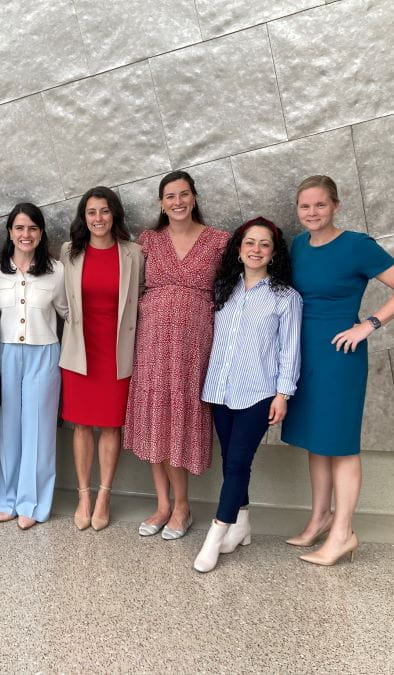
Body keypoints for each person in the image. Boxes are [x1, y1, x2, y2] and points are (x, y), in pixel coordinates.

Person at [282, 175, 394, 566]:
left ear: (336, 206)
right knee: (317, 440)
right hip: (303, 353)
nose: (312, 212)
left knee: (340, 444)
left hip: (339, 357)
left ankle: (343, 533)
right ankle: (318, 521)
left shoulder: (357, 245)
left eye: (320, 205)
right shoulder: (297, 245)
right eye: (305, 206)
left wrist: (368, 325)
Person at [124, 171, 229, 540]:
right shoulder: (148, 240)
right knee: (155, 416)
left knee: (180, 418)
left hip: (193, 346)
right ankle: (163, 504)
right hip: (152, 342)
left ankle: (182, 507)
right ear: (161, 202)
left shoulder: (219, 241)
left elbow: (234, 291)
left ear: (194, 197)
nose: (178, 202)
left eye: (184, 194)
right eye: (170, 196)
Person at [193, 218, 302, 572]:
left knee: (238, 463)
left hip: (259, 393)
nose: (256, 250)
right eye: (249, 243)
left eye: (264, 244)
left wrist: (283, 393)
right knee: (230, 461)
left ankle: (215, 535)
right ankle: (242, 525)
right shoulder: (224, 289)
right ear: (239, 249)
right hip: (220, 389)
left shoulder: (285, 298)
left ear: (273, 252)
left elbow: (290, 350)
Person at [59, 186, 143, 532]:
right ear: (84, 218)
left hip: (116, 351)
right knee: (80, 425)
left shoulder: (134, 254)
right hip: (81, 350)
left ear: (115, 215)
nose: (98, 219)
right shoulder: (69, 252)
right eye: (91, 212)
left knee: (110, 426)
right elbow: (60, 297)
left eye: (104, 211)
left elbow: (139, 298)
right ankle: (84, 495)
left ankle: (105, 495)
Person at [0, 203, 68, 529]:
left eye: (33, 228)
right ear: (10, 232)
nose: (26, 234)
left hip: (44, 353)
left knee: (38, 429)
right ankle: (8, 499)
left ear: (41, 233)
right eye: (20, 228)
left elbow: (67, 312)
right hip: (5, 353)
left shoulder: (57, 270)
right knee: (8, 428)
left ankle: (32, 503)